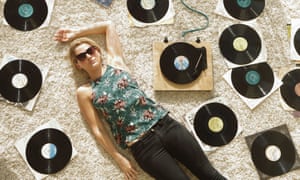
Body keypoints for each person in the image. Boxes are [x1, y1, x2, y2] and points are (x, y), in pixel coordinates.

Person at [54, 21, 226, 180]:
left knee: (209, 173)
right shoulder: (84, 92)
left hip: (166, 125)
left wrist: (76, 33)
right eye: (82, 56)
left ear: (97, 51)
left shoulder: (117, 62)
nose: (88, 56)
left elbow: (108, 25)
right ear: (78, 65)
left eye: (90, 50)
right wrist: (118, 158)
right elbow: (97, 129)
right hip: (143, 146)